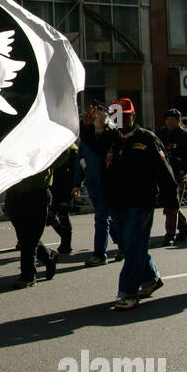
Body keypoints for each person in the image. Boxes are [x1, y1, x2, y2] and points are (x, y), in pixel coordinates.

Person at [84, 98, 178, 310]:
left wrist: (171, 202)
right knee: (128, 245)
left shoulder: (147, 139)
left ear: (133, 116)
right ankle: (151, 278)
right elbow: (91, 144)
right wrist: (88, 126)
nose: (120, 120)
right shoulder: (110, 138)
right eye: (116, 116)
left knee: (134, 246)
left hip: (140, 202)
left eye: (125, 116)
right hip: (115, 203)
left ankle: (128, 293)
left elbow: (165, 172)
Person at [4, 160, 62, 289]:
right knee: (24, 236)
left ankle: (28, 276)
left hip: (36, 192)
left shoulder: (45, 142)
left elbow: (62, 155)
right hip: (14, 193)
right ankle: (49, 257)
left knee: (29, 238)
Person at [77, 107, 115, 265]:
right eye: (96, 115)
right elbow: (80, 160)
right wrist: (76, 183)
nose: (98, 118)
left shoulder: (112, 135)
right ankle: (123, 246)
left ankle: (100, 254)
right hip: (94, 183)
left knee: (103, 218)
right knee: (106, 218)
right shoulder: (88, 138)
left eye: (101, 115)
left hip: (110, 183)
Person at [159, 109, 187, 245]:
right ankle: (183, 226)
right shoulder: (160, 134)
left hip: (178, 175)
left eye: (173, 119)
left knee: (172, 203)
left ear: (178, 121)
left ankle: (170, 234)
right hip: (163, 174)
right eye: (168, 119)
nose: (170, 122)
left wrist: (183, 170)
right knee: (167, 202)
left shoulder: (186, 136)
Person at [48, 144, 76, 254]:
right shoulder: (52, 146)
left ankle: (66, 242)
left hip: (66, 188)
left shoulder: (72, 150)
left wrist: (76, 185)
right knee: (50, 217)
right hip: (52, 186)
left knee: (63, 215)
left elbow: (76, 170)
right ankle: (65, 239)